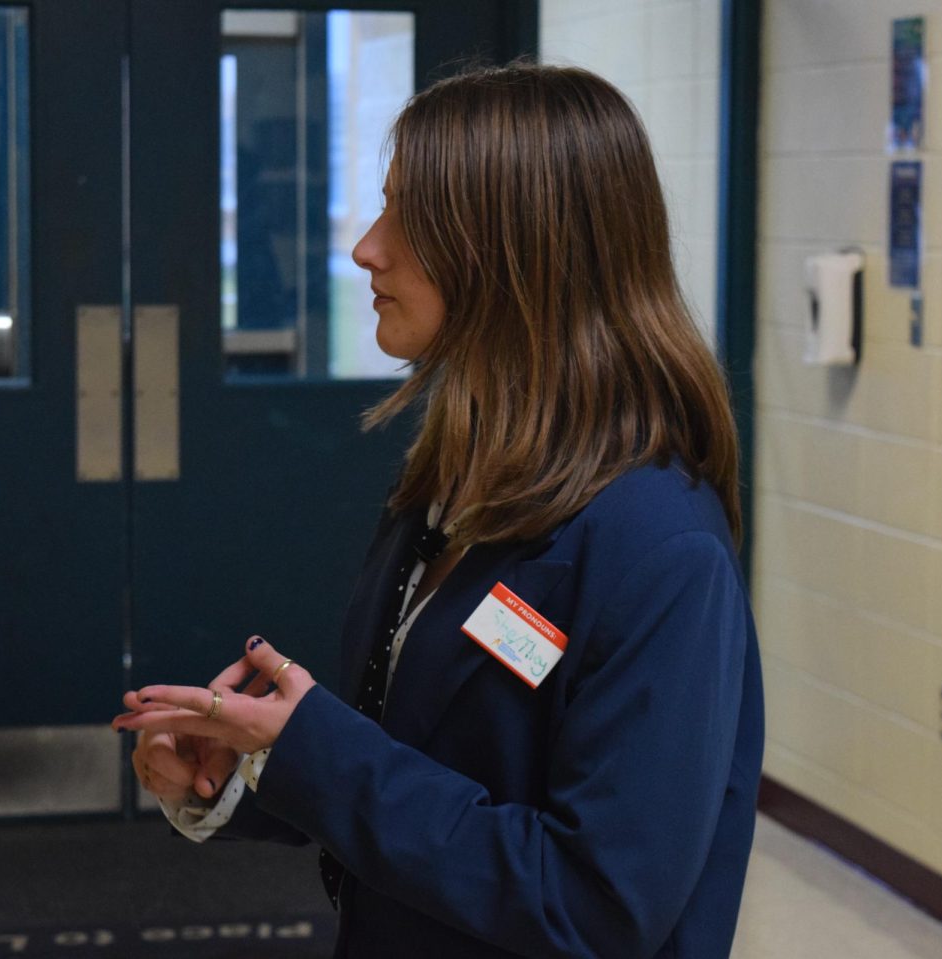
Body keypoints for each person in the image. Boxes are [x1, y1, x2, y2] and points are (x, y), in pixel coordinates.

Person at [112, 62, 764, 959]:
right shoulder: (459, 482)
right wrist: (252, 768)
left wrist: (320, 752)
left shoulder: (662, 550)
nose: (367, 248)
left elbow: (597, 904)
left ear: (516, 251)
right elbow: (437, 775)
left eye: (407, 219)